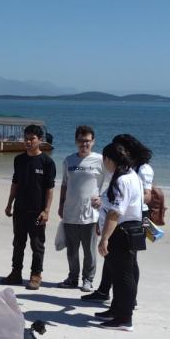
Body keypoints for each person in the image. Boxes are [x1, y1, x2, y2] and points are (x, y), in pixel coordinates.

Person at [82, 134, 153, 302]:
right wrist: (104, 202)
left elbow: (146, 196)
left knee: (129, 261)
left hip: (136, 216)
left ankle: (128, 300)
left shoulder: (141, 169)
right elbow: (114, 195)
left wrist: (115, 204)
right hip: (116, 215)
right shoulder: (123, 168)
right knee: (112, 257)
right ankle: (105, 291)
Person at [92, 142, 143, 331]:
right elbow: (115, 203)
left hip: (123, 230)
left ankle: (124, 318)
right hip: (130, 227)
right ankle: (116, 309)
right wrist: (102, 201)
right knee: (116, 272)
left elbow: (116, 212)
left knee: (124, 275)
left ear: (108, 159)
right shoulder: (130, 174)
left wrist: (105, 238)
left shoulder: (123, 180)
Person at [2, 124, 56, 290]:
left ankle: (36, 275)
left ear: (40, 140)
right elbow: (15, 183)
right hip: (20, 209)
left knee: (37, 244)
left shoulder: (47, 162)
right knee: (18, 242)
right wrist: (9, 203)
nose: (28, 141)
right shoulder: (19, 160)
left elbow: (50, 189)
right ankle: (16, 273)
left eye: (32, 138)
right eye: (26, 138)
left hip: (37, 212)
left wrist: (46, 211)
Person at [57, 125, 104, 292]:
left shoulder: (100, 160)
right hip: (70, 212)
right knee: (72, 250)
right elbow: (64, 184)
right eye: (81, 141)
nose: (84, 144)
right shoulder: (69, 160)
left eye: (88, 141)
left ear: (93, 142)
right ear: (76, 141)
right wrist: (61, 204)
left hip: (90, 213)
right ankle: (72, 278)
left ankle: (88, 280)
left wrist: (103, 198)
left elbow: (112, 181)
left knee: (89, 251)